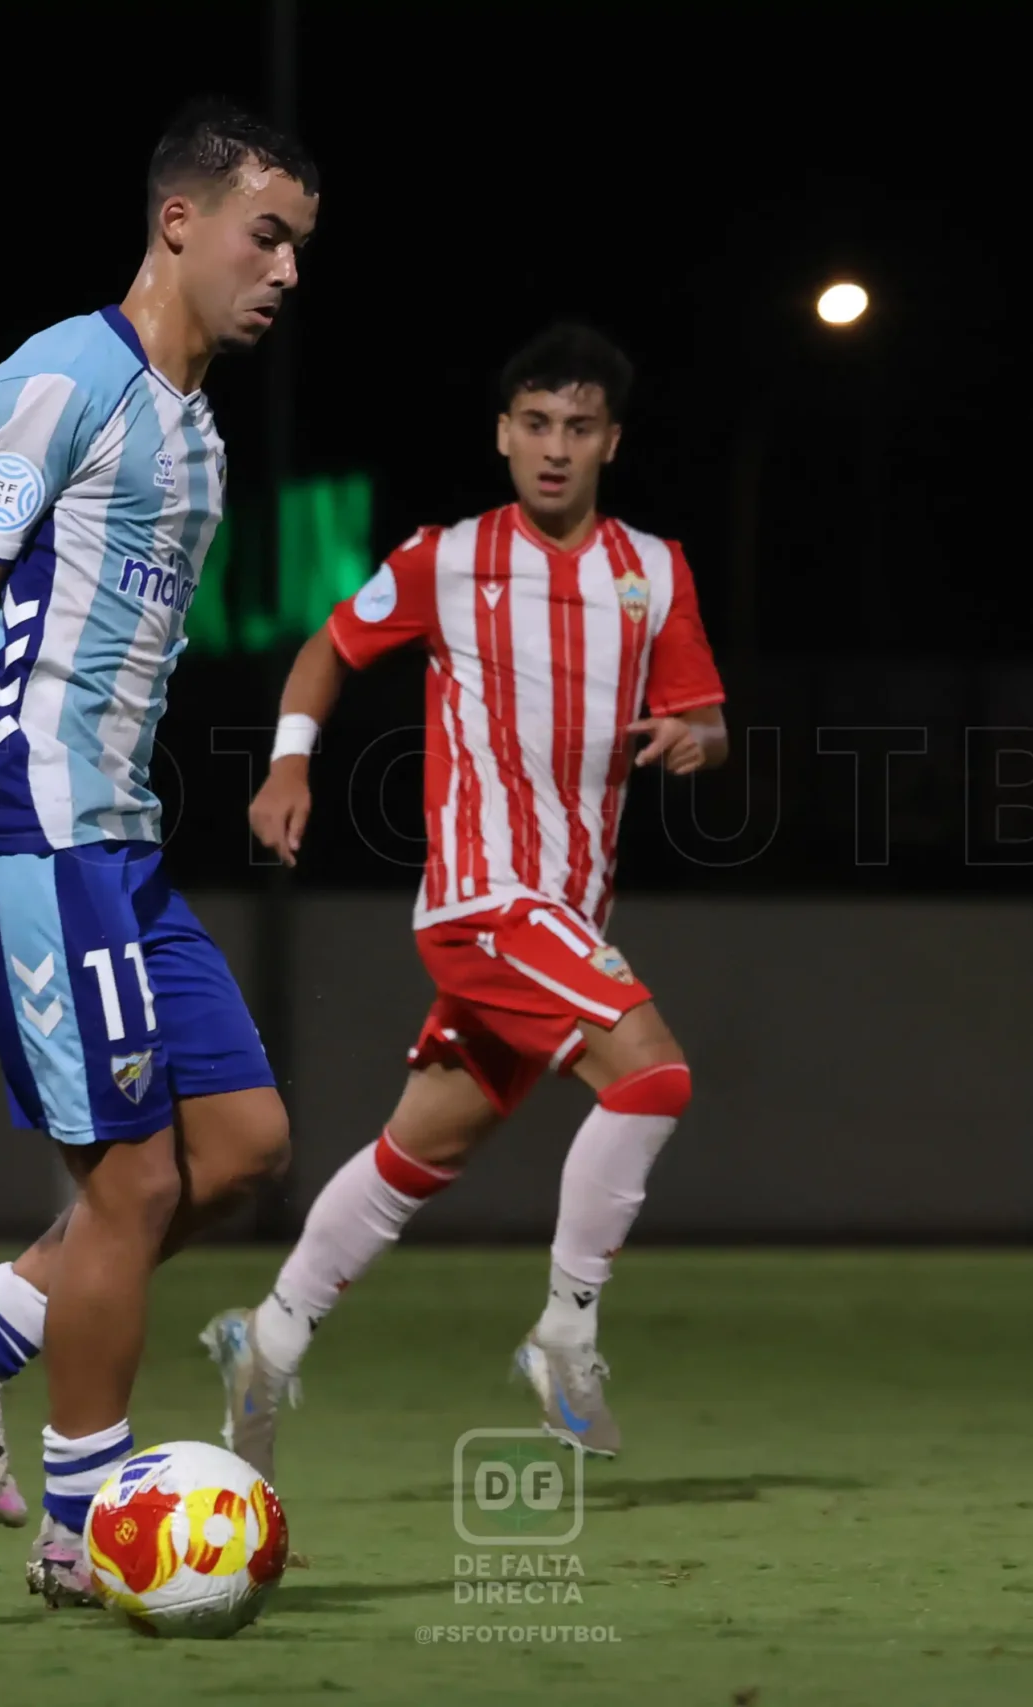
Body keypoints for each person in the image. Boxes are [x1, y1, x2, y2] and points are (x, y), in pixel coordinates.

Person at [0, 99, 319, 1606]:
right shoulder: (64, 379)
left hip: (118, 842)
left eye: (300, 246)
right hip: (29, 829)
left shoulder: (194, 426)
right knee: (129, 1182)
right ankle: (81, 1534)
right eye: (267, 234)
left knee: (241, 1148)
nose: (286, 268)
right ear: (177, 222)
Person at [200, 323, 730, 1477]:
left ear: (611, 443)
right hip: (484, 901)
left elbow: (705, 716)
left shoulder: (655, 569)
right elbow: (327, 650)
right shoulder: (449, 561)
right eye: (534, 424)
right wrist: (290, 763)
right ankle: (564, 1335)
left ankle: (267, 1336)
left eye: (577, 428)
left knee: (419, 1150)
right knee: (654, 1073)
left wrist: (697, 737)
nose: (553, 448)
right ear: (502, 434)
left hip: (565, 918)